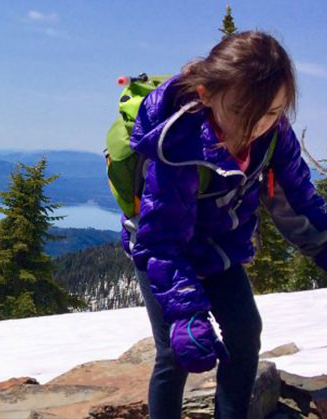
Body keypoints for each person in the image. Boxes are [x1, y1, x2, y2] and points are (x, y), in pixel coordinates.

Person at [124, 30, 327, 418]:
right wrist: (186, 315)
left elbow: (298, 201)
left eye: (271, 112)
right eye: (240, 111)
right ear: (205, 93)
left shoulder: (274, 136)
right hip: (160, 250)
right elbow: (161, 240)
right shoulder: (179, 143)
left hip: (219, 246)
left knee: (245, 333)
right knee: (173, 352)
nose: (255, 126)